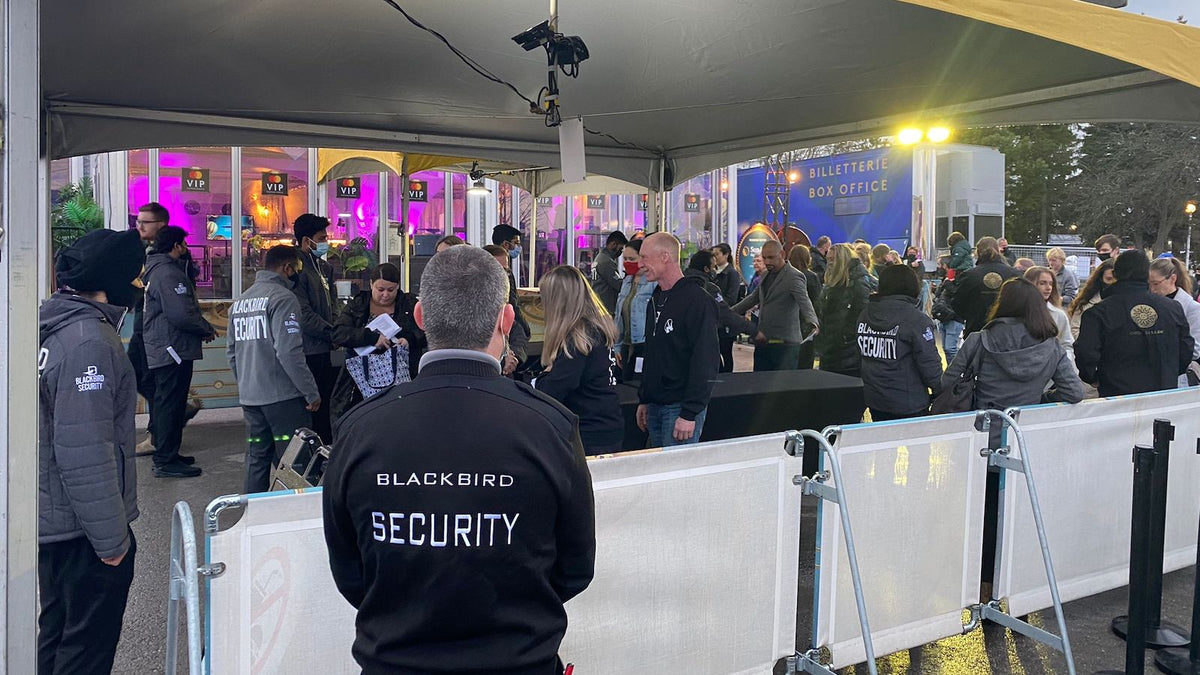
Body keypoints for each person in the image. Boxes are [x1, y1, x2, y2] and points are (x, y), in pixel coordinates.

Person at [323, 245, 595, 674]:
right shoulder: (549, 426)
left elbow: (351, 570)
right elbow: (574, 567)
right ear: (507, 320)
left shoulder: (361, 428)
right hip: (517, 660)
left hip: (396, 659)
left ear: (419, 317)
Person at [38, 229, 144, 675]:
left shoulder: (54, 326)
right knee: (85, 650)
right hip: (83, 533)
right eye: (134, 276)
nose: (140, 286)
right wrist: (112, 542)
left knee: (59, 634)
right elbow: (84, 449)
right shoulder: (89, 343)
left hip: (57, 523)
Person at [227, 245, 322, 493]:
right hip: (284, 399)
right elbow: (289, 351)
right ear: (287, 268)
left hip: (251, 397)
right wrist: (310, 391)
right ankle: (296, 519)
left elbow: (231, 353)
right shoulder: (283, 299)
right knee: (296, 463)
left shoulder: (241, 302)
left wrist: (246, 385)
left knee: (256, 459)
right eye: (297, 268)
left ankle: (253, 515)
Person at [943, 278, 1084, 410]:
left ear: (1002, 302)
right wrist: (1042, 398)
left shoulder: (979, 339)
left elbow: (947, 381)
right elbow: (1074, 392)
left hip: (983, 422)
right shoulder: (1052, 346)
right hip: (1027, 424)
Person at [127, 202, 200, 455]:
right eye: (138, 221)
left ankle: (161, 435)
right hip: (142, 323)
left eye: (145, 222)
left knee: (160, 382)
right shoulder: (138, 249)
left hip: (160, 331)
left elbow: (180, 297)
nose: (139, 226)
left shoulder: (175, 258)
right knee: (139, 376)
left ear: (161, 225)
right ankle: (170, 417)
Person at [142, 226, 215, 478]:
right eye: (183, 244)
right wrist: (204, 327)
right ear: (175, 246)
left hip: (171, 345)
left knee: (171, 402)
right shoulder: (167, 273)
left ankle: (170, 453)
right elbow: (179, 313)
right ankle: (165, 459)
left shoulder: (163, 270)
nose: (186, 249)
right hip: (171, 348)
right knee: (170, 403)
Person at [636, 232, 720, 446]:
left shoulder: (698, 301)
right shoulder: (655, 299)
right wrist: (644, 398)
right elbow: (651, 352)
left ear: (665, 257)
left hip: (680, 408)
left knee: (675, 475)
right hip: (655, 405)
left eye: (644, 257)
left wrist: (690, 412)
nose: (639, 264)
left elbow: (706, 360)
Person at [1075, 250, 1193, 397]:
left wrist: (1093, 377)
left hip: (1117, 391)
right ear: (1146, 273)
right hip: (1163, 390)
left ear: (1116, 274)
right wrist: (1171, 372)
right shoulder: (1172, 308)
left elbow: (1085, 352)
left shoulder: (1098, 313)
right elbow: (1186, 347)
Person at [533, 265, 624, 454]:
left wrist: (542, 377)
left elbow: (553, 389)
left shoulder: (578, 339)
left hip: (588, 432)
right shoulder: (597, 330)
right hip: (605, 423)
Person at [330, 263, 426, 421]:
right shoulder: (359, 304)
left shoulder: (409, 303)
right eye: (380, 290)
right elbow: (339, 333)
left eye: (391, 290)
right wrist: (371, 338)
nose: (386, 295)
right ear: (371, 285)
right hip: (360, 380)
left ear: (398, 287)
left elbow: (426, 332)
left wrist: (409, 339)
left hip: (402, 377)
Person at [857, 265, 943, 421]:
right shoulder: (916, 319)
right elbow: (929, 363)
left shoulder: (865, 314)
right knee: (918, 444)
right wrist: (940, 390)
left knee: (884, 443)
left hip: (875, 398)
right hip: (909, 400)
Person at [732, 240, 819, 371]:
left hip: (786, 345)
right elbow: (753, 298)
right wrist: (728, 312)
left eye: (771, 258)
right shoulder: (765, 274)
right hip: (763, 342)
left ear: (782, 254)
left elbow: (804, 301)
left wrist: (813, 321)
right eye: (764, 258)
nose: (767, 262)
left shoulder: (794, 276)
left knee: (783, 389)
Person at [291, 213, 338, 443]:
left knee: (327, 405)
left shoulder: (324, 268)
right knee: (313, 408)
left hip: (326, 347)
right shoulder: (297, 271)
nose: (325, 241)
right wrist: (332, 332)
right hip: (308, 349)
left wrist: (338, 329)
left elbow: (333, 306)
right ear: (306, 240)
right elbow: (303, 315)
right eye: (321, 237)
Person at [816, 244, 873, 377]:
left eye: (832, 259)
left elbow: (862, 312)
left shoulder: (858, 281)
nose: (829, 262)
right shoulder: (832, 282)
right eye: (828, 258)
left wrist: (846, 336)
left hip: (847, 352)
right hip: (830, 348)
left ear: (842, 260)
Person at [951, 237, 1022, 335]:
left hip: (976, 329)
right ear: (998, 250)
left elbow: (957, 304)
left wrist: (972, 315)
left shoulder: (969, 275)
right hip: (1007, 332)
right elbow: (1021, 303)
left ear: (977, 252)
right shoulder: (1014, 274)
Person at [1148, 257, 1200, 386]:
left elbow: (1195, 349)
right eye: (1148, 284)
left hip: (1177, 374)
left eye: (1156, 284)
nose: (1152, 289)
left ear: (1172, 279)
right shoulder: (1150, 303)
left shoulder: (1191, 307)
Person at [484, 244, 532, 377]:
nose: (503, 276)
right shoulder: (472, 304)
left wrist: (513, 358)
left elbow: (520, 334)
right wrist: (501, 361)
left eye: (506, 271)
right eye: (497, 270)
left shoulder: (506, 295)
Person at [614, 239, 657, 381]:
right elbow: (619, 317)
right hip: (626, 346)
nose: (627, 262)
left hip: (644, 345)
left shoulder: (653, 283)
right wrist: (617, 346)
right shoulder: (626, 282)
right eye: (625, 259)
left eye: (632, 259)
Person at [1024, 266, 1074, 354]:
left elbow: (1067, 344)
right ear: (1030, 284)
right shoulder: (1017, 312)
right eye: (1042, 283)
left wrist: (1063, 362)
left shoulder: (1059, 314)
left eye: (1051, 284)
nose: (1048, 288)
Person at [788, 244, 824, 369]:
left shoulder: (786, 276)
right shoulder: (811, 277)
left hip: (789, 324)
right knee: (805, 362)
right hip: (806, 325)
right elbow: (817, 301)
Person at [1067, 258, 1116, 339]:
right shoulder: (1085, 303)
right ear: (1100, 278)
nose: (1112, 283)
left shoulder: (1126, 303)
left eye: (1116, 279)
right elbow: (1075, 329)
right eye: (1109, 279)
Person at [931, 260, 965, 363]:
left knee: (950, 348)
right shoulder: (945, 280)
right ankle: (951, 369)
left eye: (940, 264)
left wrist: (948, 283)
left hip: (954, 317)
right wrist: (936, 289)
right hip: (943, 317)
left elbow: (956, 293)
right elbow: (940, 295)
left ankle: (956, 371)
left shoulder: (958, 280)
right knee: (946, 348)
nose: (938, 267)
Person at [589, 230, 628, 314]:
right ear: (613, 244)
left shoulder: (600, 257)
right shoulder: (606, 262)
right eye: (620, 249)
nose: (620, 252)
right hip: (606, 306)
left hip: (599, 304)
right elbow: (618, 285)